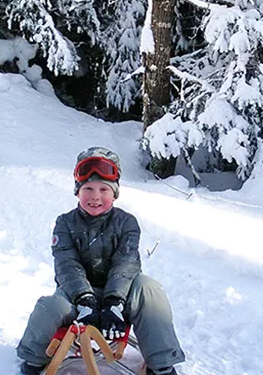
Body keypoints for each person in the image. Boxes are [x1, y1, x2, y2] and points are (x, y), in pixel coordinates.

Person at [16, 147, 185, 375]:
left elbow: (125, 264)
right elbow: (67, 264)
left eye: (104, 189)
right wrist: (84, 299)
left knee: (149, 288)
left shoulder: (127, 223)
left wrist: (114, 302)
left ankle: (162, 363)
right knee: (50, 306)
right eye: (88, 189)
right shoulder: (65, 223)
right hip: (76, 294)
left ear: (114, 194)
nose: (95, 196)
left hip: (121, 293)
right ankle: (32, 360)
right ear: (77, 192)